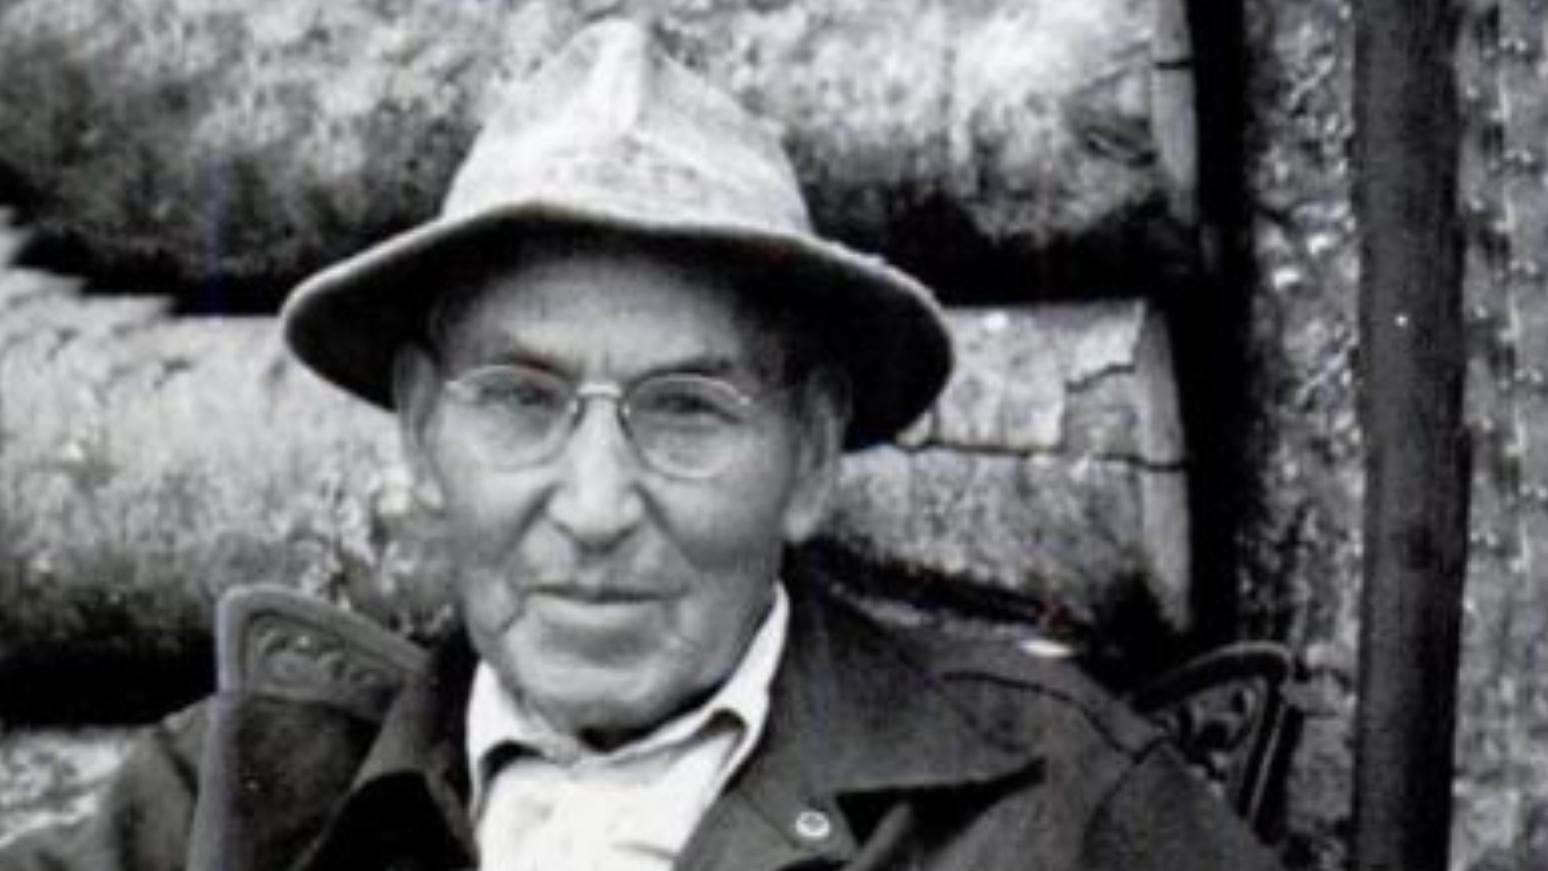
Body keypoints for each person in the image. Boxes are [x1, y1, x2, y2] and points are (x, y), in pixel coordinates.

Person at [0, 18, 1284, 871]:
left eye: (686, 409)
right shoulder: (224, 808)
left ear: (814, 457)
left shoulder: (1051, 808)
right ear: (420, 430)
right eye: (521, 399)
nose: (598, 505)